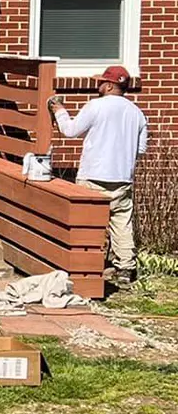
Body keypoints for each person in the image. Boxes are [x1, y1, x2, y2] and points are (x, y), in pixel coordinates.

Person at [48, 66, 148, 287]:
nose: (98, 85)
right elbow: (140, 149)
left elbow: (70, 131)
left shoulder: (96, 106)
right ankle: (125, 268)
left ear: (110, 86)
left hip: (93, 176)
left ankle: (87, 266)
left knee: (87, 223)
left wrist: (58, 109)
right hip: (122, 178)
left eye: (101, 82)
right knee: (122, 223)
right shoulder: (137, 113)